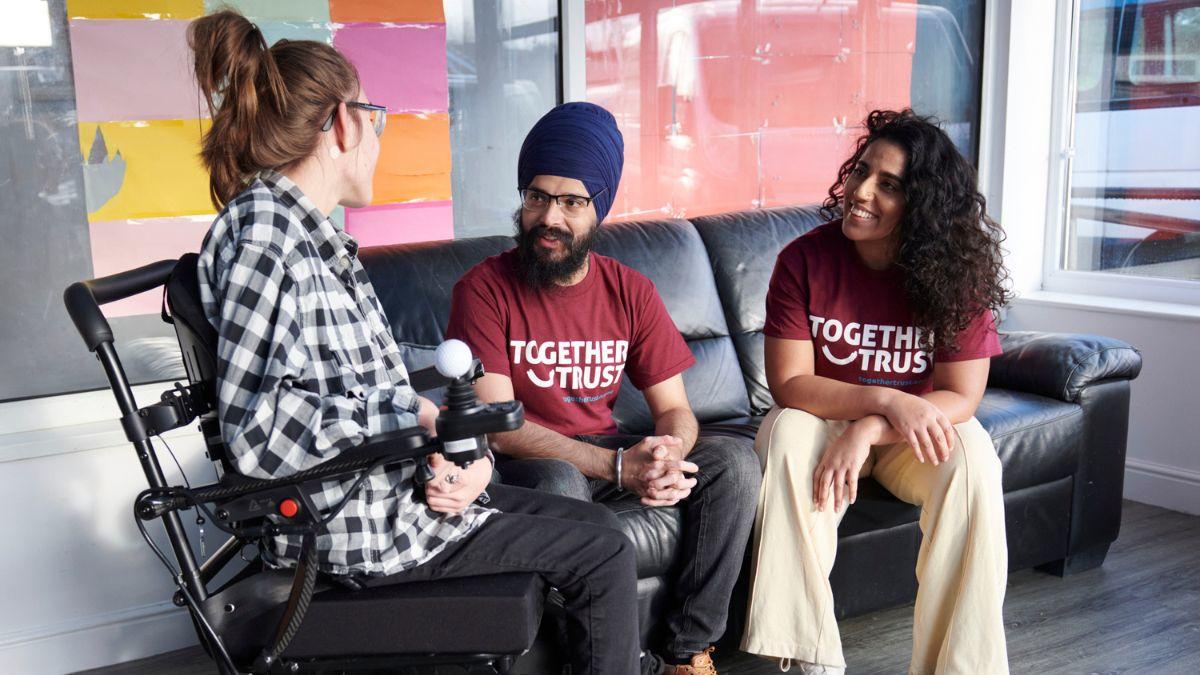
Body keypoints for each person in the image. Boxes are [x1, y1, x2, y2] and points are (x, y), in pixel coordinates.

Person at [189, 11, 640, 673]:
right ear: (343, 122)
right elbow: (262, 431)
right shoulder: (268, 241)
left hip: (385, 492)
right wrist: (419, 418)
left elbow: (365, 396)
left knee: (600, 528)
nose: (376, 135)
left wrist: (463, 456)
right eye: (372, 117)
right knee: (605, 553)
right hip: (357, 525)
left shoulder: (305, 240)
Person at [445, 102, 762, 675]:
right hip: (533, 469)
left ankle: (685, 652)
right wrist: (615, 468)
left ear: (599, 211)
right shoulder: (483, 290)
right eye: (538, 197)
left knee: (734, 463)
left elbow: (676, 411)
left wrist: (668, 455)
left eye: (572, 202)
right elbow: (497, 423)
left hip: (611, 457)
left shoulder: (630, 291)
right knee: (562, 479)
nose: (551, 217)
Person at [741, 109, 1012, 675]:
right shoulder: (804, 260)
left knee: (973, 455)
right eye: (861, 171)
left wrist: (873, 427)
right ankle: (808, 658)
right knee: (787, 432)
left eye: (888, 185)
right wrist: (882, 400)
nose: (860, 192)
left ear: (925, 205)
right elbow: (790, 384)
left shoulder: (957, 274)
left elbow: (961, 396)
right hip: (824, 419)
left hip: (899, 435)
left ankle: (959, 667)